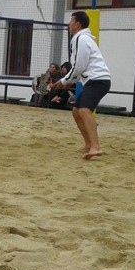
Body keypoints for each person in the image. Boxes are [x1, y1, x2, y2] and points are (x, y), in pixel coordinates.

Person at [55, 10, 111, 159]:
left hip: (98, 80)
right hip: (94, 80)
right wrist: (68, 80)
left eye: (71, 21)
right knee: (76, 111)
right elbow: (79, 68)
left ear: (77, 24)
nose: (69, 24)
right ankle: (88, 144)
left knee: (84, 110)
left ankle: (95, 147)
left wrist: (64, 81)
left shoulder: (81, 39)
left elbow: (79, 66)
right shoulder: (81, 38)